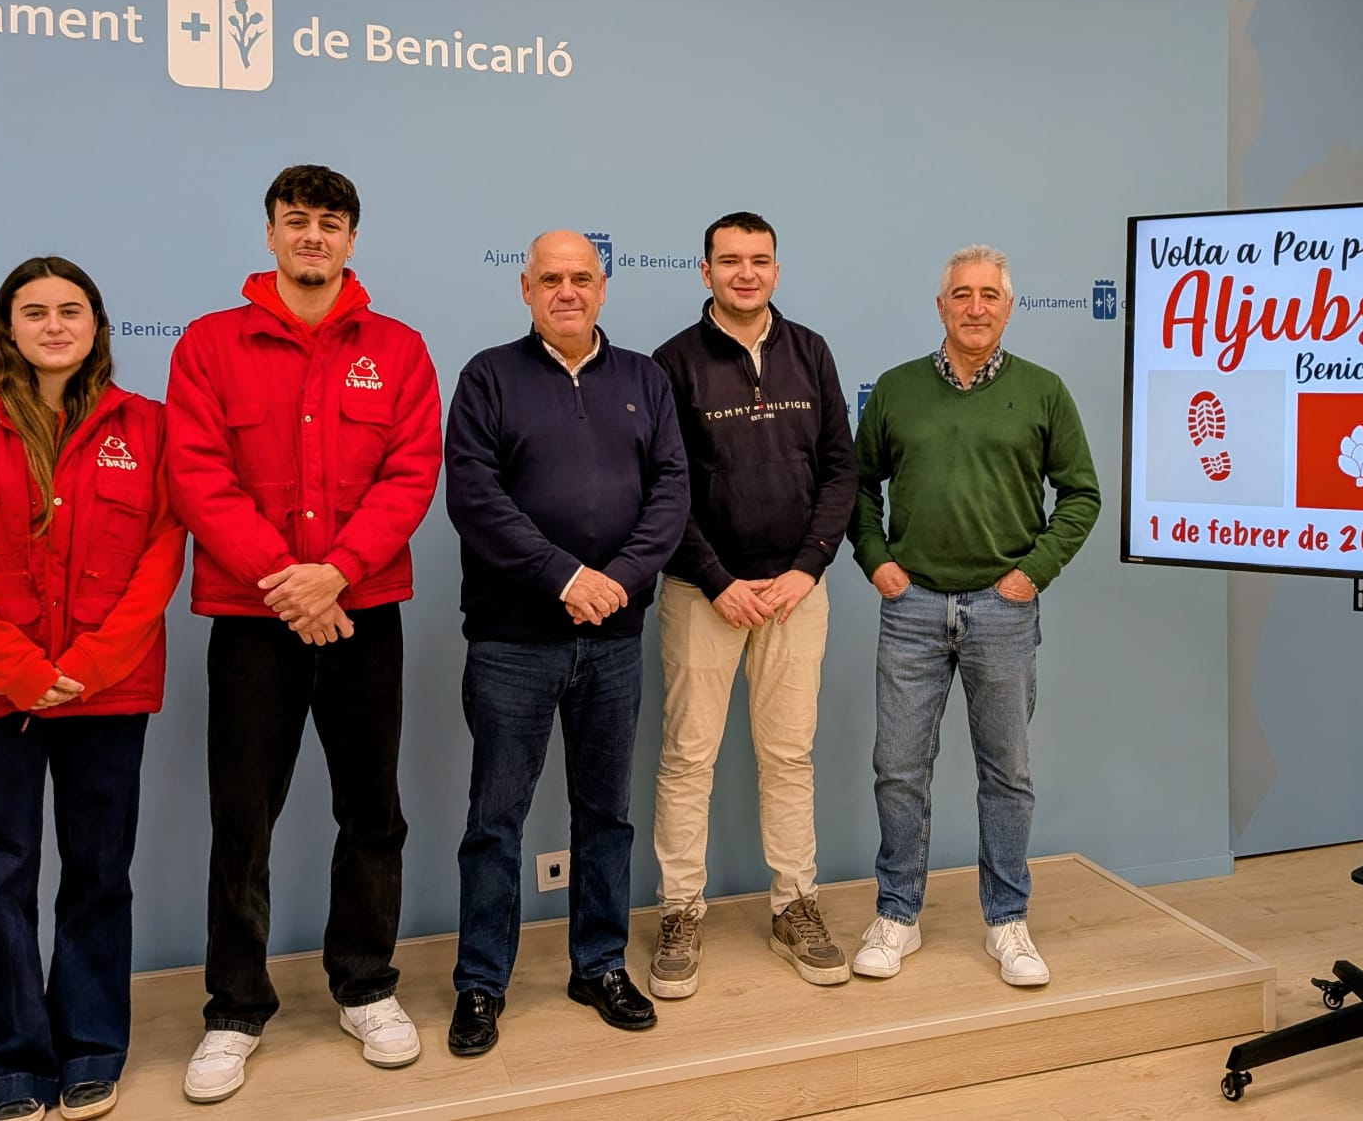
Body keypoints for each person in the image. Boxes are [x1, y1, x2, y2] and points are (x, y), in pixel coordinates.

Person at [166, 166, 441, 1103]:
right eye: (296, 220)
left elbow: (410, 472)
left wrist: (338, 572)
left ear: (351, 238)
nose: (313, 235)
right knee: (242, 816)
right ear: (271, 233)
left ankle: (365, 984)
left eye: (330, 222)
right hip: (255, 618)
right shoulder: (209, 343)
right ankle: (235, 1007)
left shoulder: (398, 348)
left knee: (372, 809)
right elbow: (198, 474)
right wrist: (292, 583)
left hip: (363, 609)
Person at [0, 256, 186, 1121]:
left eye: (71, 310)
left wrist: (92, 664)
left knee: (99, 869)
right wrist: (21, 671)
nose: (54, 325)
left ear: (97, 326)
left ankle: (91, 1046)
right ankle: (11, 1064)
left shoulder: (146, 425)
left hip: (107, 685)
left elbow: (161, 550)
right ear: (8, 327)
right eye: (35, 311)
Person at [445, 230, 689, 1054]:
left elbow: (671, 492)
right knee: (495, 820)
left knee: (606, 815)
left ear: (603, 286)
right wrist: (564, 576)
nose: (566, 291)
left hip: (614, 639)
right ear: (525, 289)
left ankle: (599, 964)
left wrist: (616, 578)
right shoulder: (488, 377)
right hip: (513, 642)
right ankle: (481, 982)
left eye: (581, 276)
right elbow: (475, 498)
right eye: (550, 278)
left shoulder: (644, 379)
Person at [847, 244, 1100, 987]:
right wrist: (876, 560)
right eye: (962, 294)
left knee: (1007, 772)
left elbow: (1081, 494)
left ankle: (1007, 919)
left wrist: (1033, 573)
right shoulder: (896, 390)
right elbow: (854, 487)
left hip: (1002, 608)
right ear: (941, 306)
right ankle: (897, 914)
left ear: (1008, 307)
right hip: (913, 607)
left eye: (989, 294)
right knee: (898, 768)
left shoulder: (1044, 391)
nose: (975, 306)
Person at [646, 212, 857, 997]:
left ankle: (793, 904)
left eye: (759, 260)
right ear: (705, 271)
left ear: (776, 269)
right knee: (687, 757)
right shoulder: (672, 362)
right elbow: (664, 487)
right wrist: (717, 579)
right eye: (729, 260)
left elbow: (839, 469)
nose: (745, 273)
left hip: (795, 592)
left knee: (788, 757)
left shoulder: (810, 351)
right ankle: (679, 910)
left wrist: (806, 568)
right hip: (704, 594)